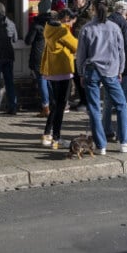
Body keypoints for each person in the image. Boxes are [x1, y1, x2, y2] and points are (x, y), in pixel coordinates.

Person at [77, 0, 127, 154]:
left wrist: (80, 72)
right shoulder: (114, 27)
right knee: (121, 105)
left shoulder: (87, 28)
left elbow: (81, 54)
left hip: (91, 69)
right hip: (111, 70)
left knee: (94, 108)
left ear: (92, 9)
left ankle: (101, 145)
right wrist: (120, 69)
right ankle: (125, 141)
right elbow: (121, 51)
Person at [41, 9, 77, 149]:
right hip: (63, 69)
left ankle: (47, 134)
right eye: (72, 21)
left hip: (51, 70)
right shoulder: (62, 31)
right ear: (67, 18)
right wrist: (67, 27)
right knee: (61, 105)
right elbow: (76, 45)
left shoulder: (48, 28)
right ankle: (56, 139)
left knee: (55, 104)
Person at [104, 0, 127, 143]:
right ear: (125, 11)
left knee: (108, 101)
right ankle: (123, 133)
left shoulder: (105, 22)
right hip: (124, 68)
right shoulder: (125, 25)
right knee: (124, 102)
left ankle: (106, 130)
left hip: (106, 67)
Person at [0, 1, 19, 114]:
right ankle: (13, 106)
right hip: (8, 55)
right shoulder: (11, 23)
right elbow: (15, 39)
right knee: (9, 82)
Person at [69, 0, 93, 110]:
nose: (74, 1)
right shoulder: (75, 13)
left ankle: (86, 101)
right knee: (77, 76)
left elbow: (80, 33)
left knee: (82, 76)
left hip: (84, 51)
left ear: (84, 1)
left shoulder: (87, 16)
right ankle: (83, 100)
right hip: (75, 50)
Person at [25, 9, 50, 118]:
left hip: (38, 57)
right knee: (49, 81)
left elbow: (28, 41)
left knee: (42, 81)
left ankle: (46, 108)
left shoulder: (36, 26)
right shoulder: (53, 25)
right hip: (50, 56)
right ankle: (53, 106)